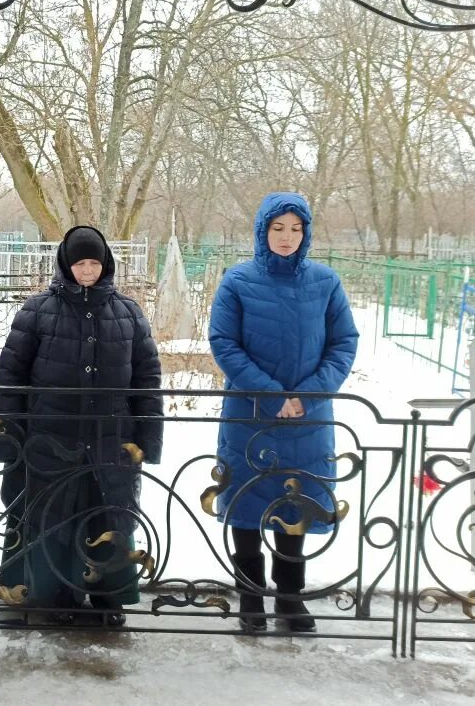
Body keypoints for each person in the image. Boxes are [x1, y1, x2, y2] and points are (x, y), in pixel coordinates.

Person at [0, 225, 162, 626]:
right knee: (53, 517)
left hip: (110, 441)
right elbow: (11, 377)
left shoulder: (129, 313)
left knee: (107, 515)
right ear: (66, 265)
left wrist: (147, 439)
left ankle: (109, 597)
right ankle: (53, 595)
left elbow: (146, 380)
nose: (87, 271)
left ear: (105, 265)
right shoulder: (36, 312)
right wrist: (7, 439)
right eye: (80, 263)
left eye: (93, 263)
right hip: (51, 440)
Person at [208, 191, 358, 634]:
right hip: (250, 415)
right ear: (262, 231)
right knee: (248, 504)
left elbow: (343, 343)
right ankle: (250, 598)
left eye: (295, 229)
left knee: (295, 506)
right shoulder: (237, 281)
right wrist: (273, 395)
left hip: (307, 421)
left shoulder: (325, 282)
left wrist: (308, 395)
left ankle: (290, 599)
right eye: (278, 228)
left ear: (306, 233)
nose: (287, 237)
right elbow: (224, 343)